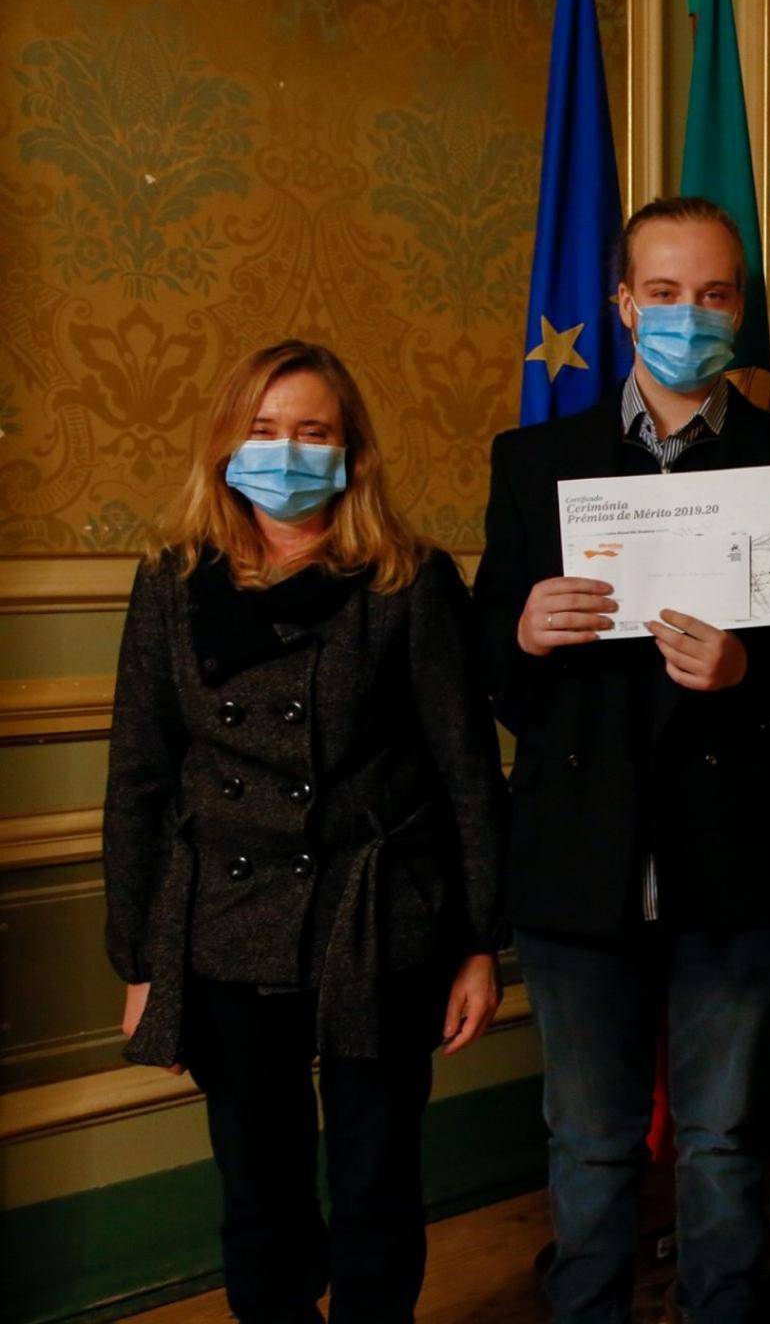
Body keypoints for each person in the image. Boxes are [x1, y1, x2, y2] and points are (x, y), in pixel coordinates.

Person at [474, 195, 770, 1324]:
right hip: (577, 857)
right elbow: (489, 671)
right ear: (621, 304)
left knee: (723, 1134)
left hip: (739, 855)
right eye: (663, 292)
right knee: (589, 1138)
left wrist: (753, 670)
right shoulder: (533, 462)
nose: (687, 315)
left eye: (712, 294)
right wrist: (520, 633)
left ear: (739, 311)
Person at [103, 339, 506, 1324]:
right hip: (224, 920)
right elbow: (140, 780)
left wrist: (478, 945)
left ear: (350, 451)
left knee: (376, 1181)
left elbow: (465, 772)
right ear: (226, 443)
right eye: (265, 429)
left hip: (376, 917)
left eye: (312, 432)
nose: (286, 452)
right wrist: (141, 962)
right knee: (257, 1185)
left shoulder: (410, 580)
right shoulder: (170, 581)